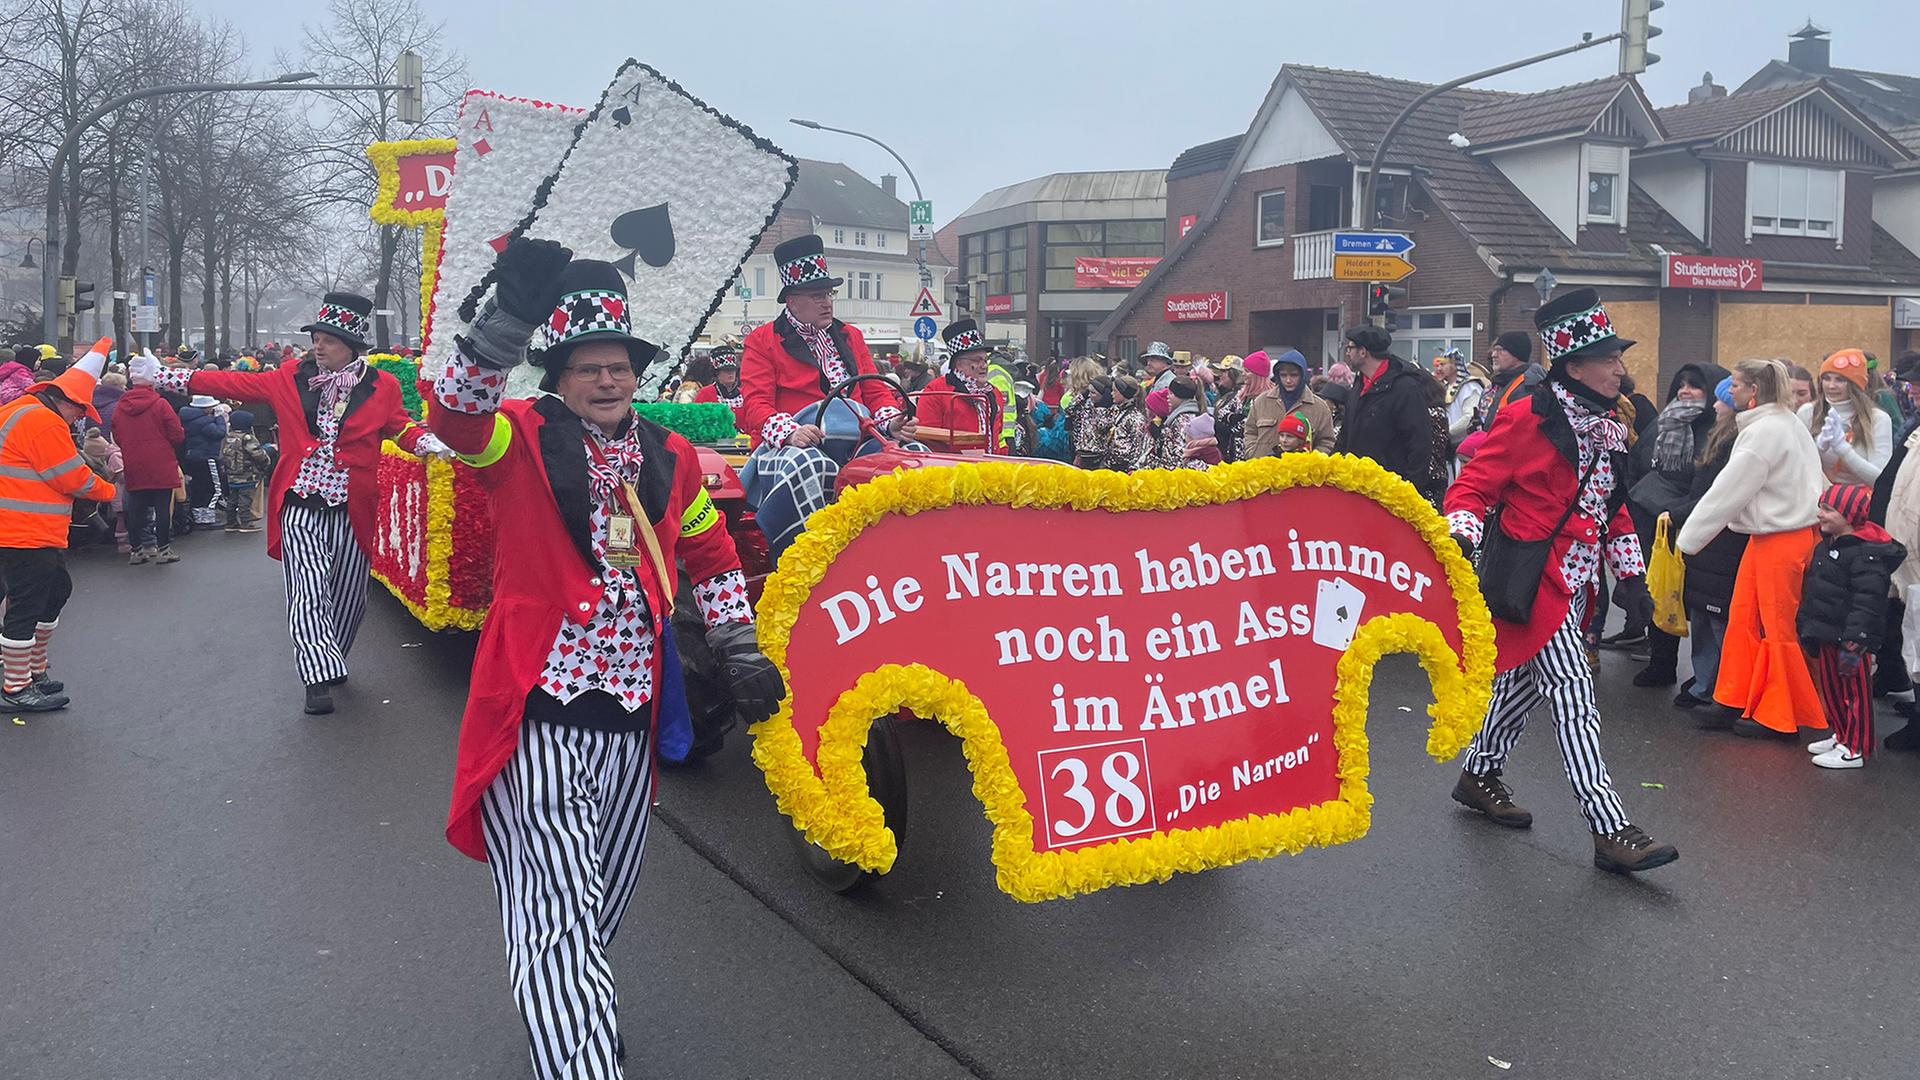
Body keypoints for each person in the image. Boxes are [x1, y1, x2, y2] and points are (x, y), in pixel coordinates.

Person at [427, 239, 782, 1080]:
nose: (608, 379)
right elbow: (455, 417)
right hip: (538, 710)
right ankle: (580, 1052)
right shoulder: (517, 438)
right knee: (555, 908)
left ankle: (569, 1012)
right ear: (558, 375)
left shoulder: (671, 455)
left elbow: (711, 556)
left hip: (629, 717)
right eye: (588, 367)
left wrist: (736, 642)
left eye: (619, 365)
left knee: (600, 896)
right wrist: (505, 322)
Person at [1444, 289, 1676, 874]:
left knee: (1522, 685)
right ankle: (1610, 827)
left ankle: (1479, 773)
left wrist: (1630, 576)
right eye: (1609, 360)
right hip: (1532, 574)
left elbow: (1610, 508)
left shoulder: (1610, 425)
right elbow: (1473, 484)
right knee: (1573, 691)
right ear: (1575, 367)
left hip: (1578, 584)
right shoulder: (1528, 416)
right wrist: (1462, 531)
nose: (1621, 370)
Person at [136, 291, 450, 715]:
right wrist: (167, 377)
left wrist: (425, 442)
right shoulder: (289, 377)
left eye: (328, 340)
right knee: (307, 589)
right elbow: (233, 383)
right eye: (316, 339)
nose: (318, 347)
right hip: (300, 503)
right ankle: (315, 676)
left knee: (349, 596)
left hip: (352, 506)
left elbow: (399, 425)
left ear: (351, 346)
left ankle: (332, 656)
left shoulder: (383, 386)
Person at [1676, 358, 1826, 740]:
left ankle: (1779, 714)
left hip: (1780, 538)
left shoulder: (1763, 432)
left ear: (1754, 391)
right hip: (1775, 536)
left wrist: (1688, 540)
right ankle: (1734, 698)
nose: (1730, 393)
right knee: (1743, 619)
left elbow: (1727, 492)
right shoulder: (1786, 423)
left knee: (1775, 626)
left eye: (1736, 386)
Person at [737, 235, 911, 557]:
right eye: (817, 295)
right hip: (791, 447)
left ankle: (900, 553)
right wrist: (791, 433)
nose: (827, 302)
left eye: (829, 294)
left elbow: (875, 392)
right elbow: (756, 405)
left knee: (911, 455)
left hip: (854, 442)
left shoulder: (850, 336)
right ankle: (806, 561)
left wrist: (891, 422)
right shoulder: (763, 340)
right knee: (811, 466)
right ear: (792, 301)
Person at [0, 339, 117, 711]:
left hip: (22, 528)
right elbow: (71, 477)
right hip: (26, 530)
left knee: (55, 591)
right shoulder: (44, 422)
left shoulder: (19, 410)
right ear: (67, 401)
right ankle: (16, 686)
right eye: (81, 410)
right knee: (28, 605)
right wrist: (108, 490)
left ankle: (32, 670)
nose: (80, 418)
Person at [1624, 362, 1730, 685]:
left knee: (1701, 608)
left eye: (1695, 385)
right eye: (1681, 384)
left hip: (1696, 528)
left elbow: (1713, 486)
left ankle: (1707, 680)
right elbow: (1636, 463)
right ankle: (1662, 663)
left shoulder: (1719, 431)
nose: (1685, 391)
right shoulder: (1663, 422)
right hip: (1654, 525)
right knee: (1660, 594)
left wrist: (1678, 511)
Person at [1796, 484, 1905, 769]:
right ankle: (1841, 733)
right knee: (1832, 688)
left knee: (1854, 691)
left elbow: (1868, 601)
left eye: (1828, 509)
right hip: (1827, 632)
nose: (1820, 514)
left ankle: (1856, 747)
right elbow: (1816, 590)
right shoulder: (1827, 546)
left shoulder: (1866, 555)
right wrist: (1807, 623)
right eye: (1821, 507)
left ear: (1849, 515)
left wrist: (1857, 637)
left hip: (1851, 639)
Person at [1668, 382, 1749, 713]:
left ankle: (1715, 687)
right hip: (1707, 542)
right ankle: (1706, 681)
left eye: (1721, 400)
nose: (1715, 406)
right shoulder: (1720, 436)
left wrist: (1678, 514)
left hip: (1721, 543)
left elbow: (1716, 495)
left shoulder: (1737, 441)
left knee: (1717, 619)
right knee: (1704, 615)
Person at [1333, 326, 1437, 500]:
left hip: (1390, 491)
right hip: (1355, 487)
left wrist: (1410, 491)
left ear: (1363, 352)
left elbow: (1420, 443)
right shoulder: (1360, 384)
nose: (1347, 353)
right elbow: (1346, 435)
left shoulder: (1404, 387)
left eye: (1350, 348)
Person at [113, 358, 186, 565]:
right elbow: (177, 434)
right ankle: (163, 549)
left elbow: (116, 434)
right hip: (161, 460)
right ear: (152, 382)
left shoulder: (121, 406)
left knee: (136, 507)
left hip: (133, 460)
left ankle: (136, 550)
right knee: (162, 507)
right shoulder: (160, 404)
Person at [1800, 348, 1891, 486]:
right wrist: (1816, 450)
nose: (1831, 386)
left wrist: (1843, 449)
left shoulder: (1878, 419)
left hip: (1861, 497)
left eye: (1840, 380)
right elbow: (1798, 467)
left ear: (1855, 385)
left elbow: (1880, 480)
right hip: (1818, 495)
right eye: (1826, 378)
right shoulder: (1808, 412)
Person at [914, 319, 1007, 454]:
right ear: (959, 364)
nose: (984, 366)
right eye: (977, 360)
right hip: (951, 465)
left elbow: (999, 436)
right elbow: (927, 439)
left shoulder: (993, 392)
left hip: (990, 464)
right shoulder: (935, 392)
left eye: (985, 360)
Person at [1246, 349, 1337, 457]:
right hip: (1262, 466)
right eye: (1283, 375)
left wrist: (1313, 461)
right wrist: (1252, 453)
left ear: (1302, 375)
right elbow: (1250, 432)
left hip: (1302, 467)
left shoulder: (1319, 408)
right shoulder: (1261, 402)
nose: (1288, 380)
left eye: (1294, 375)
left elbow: (1327, 441)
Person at [1477, 329, 1546, 431]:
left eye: (1500, 350)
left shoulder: (1528, 386)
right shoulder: (1503, 383)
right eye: (1494, 350)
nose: (1493, 355)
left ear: (1517, 354)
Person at [178, 393, 227, 527]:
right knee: (213, 487)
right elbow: (219, 433)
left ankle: (198, 517)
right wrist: (220, 418)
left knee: (199, 487)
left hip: (193, 456)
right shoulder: (204, 421)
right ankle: (206, 519)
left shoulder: (188, 418)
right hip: (207, 456)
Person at [220, 411, 270, 533]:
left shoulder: (228, 437)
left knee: (232, 499)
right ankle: (246, 523)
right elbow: (258, 454)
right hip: (247, 474)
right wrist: (266, 464)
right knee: (245, 500)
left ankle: (231, 523)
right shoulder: (247, 438)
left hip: (231, 474)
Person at [1433, 347, 1488, 456]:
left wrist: (1446, 432)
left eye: (1443, 364)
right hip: (1450, 447)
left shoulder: (1470, 386)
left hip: (1467, 448)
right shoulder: (1445, 388)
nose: (1439, 368)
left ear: (1454, 365)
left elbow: (1470, 417)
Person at [1100, 376, 1151, 472]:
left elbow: (1137, 448)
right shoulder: (1117, 410)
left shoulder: (1135, 418)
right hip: (1110, 464)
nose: (1111, 393)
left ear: (1124, 393)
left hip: (1124, 469)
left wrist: (1131, 470)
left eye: (1114, 391)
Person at [691, 341, 743, 415]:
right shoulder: (705, 393)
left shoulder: (744, 394)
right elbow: (697, 417)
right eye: (726, 370)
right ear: (717, 373)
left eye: (732, 370)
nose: (730, 374)